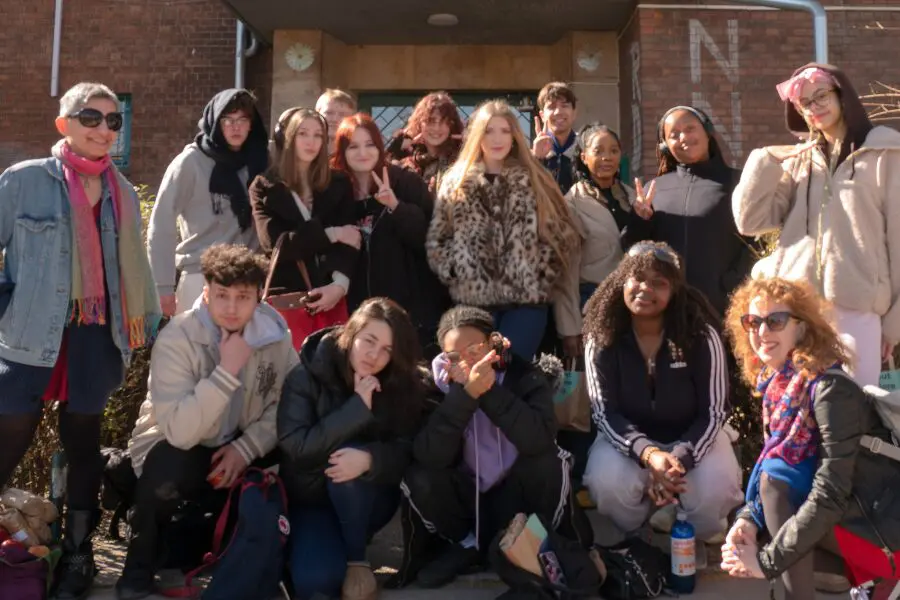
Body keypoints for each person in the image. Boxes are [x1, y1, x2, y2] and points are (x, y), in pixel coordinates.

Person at [0, 82, 161, 600]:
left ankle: (77, 553)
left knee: (84, 446)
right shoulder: (23, 181)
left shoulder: (123, 193)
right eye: (90, 117)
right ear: (63, 124)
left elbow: (132, 272)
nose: (103, 129)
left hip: (96, 333)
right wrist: (6, 305)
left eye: (113, 121)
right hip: (30, 330)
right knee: (10, 435)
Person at [116, 244, 296, 600]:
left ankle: (278, 557)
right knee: (168, 466)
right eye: (221, 295)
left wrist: (246, 449)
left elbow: (289, 406)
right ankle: (137, 571)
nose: (231, 307)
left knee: (298, 451)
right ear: (206, 293)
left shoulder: (275, 333)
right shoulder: (177, 338)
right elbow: (180, 432)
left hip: (240, 442)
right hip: (179, 445)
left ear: (258, 298)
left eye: (242, 297)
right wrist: (226, 371)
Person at [721, 277, 900, 600]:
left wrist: (766, 562)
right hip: (849, 525)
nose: (762, 332)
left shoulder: (831, 391)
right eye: (753, 321)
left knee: (777, 484)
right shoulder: (780, 388)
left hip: (882, 538)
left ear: (802, 328)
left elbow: (830, 492)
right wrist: (747, 519)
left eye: (775, 321)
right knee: (772, 496)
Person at [733, 63, 900, 387]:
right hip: (796, 313)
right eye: (805, 103)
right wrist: (764, 161)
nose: (815, 107)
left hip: (857, 311)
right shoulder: (798, 161)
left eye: (821, 96)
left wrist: (893, 323)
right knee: (796, 414)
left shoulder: (885, 153)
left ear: (843, 96)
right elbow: (749, 221)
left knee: (850, 417)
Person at [401, 306, 588, 588]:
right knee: (419, 475)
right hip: (465, 500)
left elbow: (538, 438)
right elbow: (430, 455)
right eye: (455, 356)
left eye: (475, 350)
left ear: (493, 344)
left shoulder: (523, 374)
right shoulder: (432, 386)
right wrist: (465, 397)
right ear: (443, 355)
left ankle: (532, 540)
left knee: (550, 461)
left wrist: (489, 393)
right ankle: (466, 546)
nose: (467, 362)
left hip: (515, 498)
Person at [582, 242, 742, 543]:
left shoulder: (700, 334)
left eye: (659, 283)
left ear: (675, 290)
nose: (645, 288)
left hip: (692, 438)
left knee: (714, 488)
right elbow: (604, 413)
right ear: (621, 282)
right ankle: (637, 534)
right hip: (630, 443)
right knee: (608, 483)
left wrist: (678, 460)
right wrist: (650, 454)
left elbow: (714, 412)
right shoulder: (601, 336)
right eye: (637, 278)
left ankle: (694, 531)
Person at [277, 298, 423, 600]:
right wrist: (357, 409)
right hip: (313, 500)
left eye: (387, 350)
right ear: (351, 332)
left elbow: (408, 449)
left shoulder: (397, 383)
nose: (374, 355)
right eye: (369, 340)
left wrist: (370, 459)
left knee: (353, 457)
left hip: (368, 499)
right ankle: (323, 546)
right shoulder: (306, 375)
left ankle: (357, 558)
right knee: (316, 581)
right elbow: (296, 447)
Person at [427, 99, 580, 362]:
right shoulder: (456, 180)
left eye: (505, 130)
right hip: (473, 301)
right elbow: (438, 240)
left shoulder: (536, 177)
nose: (497, 139)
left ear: (515, 136)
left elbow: (563, 234)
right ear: (477, 135)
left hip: (525, 302)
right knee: (475, 378)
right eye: (489, 130)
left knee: (507, 370)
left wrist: (540, 272)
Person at [331, 113, 449, 357]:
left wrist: (395, 206)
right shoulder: (337, 192)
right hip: (358, 316)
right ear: (342, 151)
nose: (363, 153)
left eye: (370, 144)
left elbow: (430, 238)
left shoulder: (404, 182)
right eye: (353, 146)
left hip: (410, 313)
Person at [148, 88, 269, 317]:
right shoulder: (190, 163)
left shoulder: (261, 160)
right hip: (200, 278)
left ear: (252, 124)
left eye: (242, 120)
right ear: (215, 121)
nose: (235, 127)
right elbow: (161, 224)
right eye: (228, 120)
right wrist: (162, 287)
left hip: (251, 280)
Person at [629, 105, 753, 318]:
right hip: (667, 311)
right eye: (674, 134)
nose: (683, 137)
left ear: (707, 132)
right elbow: (632, 251)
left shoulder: (739, 182)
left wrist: (732, 283)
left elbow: (757, 241)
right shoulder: (654, 189)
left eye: (690, 128)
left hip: (725, 309)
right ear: (666, 145)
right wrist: (640, 220)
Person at [250, 107, 359, 347]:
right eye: (303, 134)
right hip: (287, 297)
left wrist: (339, 285)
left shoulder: (338, 183)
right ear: (287, 138)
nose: (311, 142)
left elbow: (351, 242)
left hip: (333, 295)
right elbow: (277, 244)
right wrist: (332, 234)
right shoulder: (265, 187)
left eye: (318, 135)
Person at [385, 91, 464, 193]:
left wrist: (471, 144)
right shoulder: (405, 164)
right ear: (419, 123)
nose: (436, 128)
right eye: (431, 121)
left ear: (451, 125)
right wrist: (395, 149)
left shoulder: (461, 162)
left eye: (444, 121)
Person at [531, 82, 579, 194]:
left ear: (574, 113)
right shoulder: (530, 156)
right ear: (542, 116)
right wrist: (536, 159)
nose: (558, 112)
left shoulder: (587, 150)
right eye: (551, 107)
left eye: (564, 105)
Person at [316, 88, 357, 156]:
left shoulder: (358, 155)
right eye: (329, 113)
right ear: (317, 114)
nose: (335, 119)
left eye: (342, 114)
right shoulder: (304, 151)